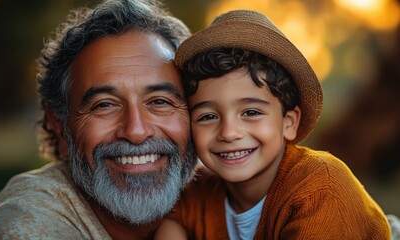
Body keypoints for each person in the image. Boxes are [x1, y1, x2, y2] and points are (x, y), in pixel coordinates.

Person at [155, 9, 391, 239]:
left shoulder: (320, 187)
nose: (229, 132)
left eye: (251, 112)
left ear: (289, 123)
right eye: (208, 116)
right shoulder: (196, 194)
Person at [0, 0, 198, 239]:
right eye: (104, 105)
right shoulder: (29, 226)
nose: (136, 131)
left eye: (160, 102)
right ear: (60, 128)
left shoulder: (218, 192)